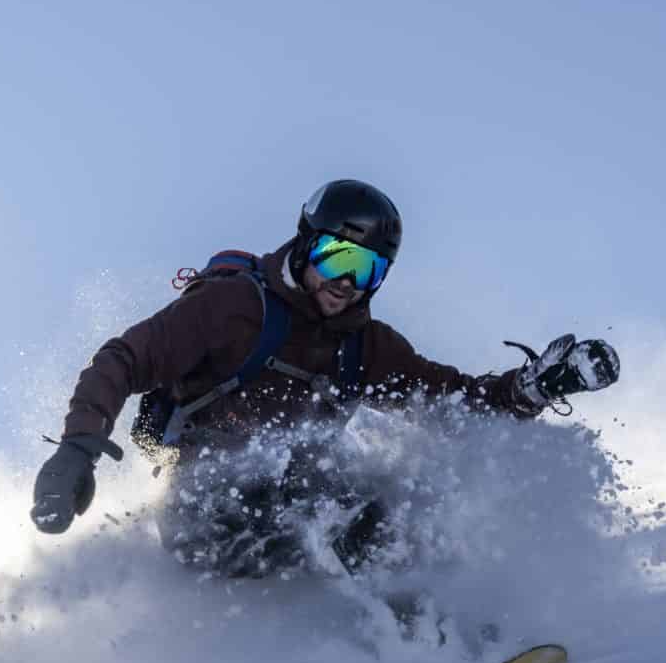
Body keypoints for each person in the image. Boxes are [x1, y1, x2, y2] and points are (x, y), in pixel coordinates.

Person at [30, 179, 619, 577]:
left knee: (401, 496)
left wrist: (534, 387)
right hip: (207, 511)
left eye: (368, 270)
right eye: (338, 257)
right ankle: (390, 629)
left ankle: (426, 636)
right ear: (307, 243)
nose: (347, 281)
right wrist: (78, 447)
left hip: (302, 501)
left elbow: (452, 402)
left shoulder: (365, 347)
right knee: (312, 505)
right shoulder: (235, 308)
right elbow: (124, 358)